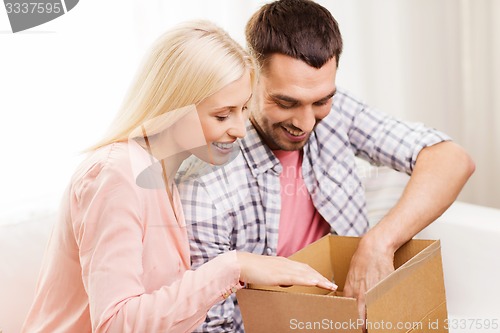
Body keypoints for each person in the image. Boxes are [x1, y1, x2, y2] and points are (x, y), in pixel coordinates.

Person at [21, 20, 337, 333]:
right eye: (222, 114)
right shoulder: (116, 174)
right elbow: (115, 323)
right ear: (174, 105)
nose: (239, 130)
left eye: (243, 109)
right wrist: (234, 265)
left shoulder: (163, 178)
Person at [178, 1, 475, 332]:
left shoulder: (337, 111)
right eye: (286, 102)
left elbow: (452, 159)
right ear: (250, 78)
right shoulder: (205, 188)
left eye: (321, 101)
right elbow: (213, 326)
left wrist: (380, 242)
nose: (305, 123)